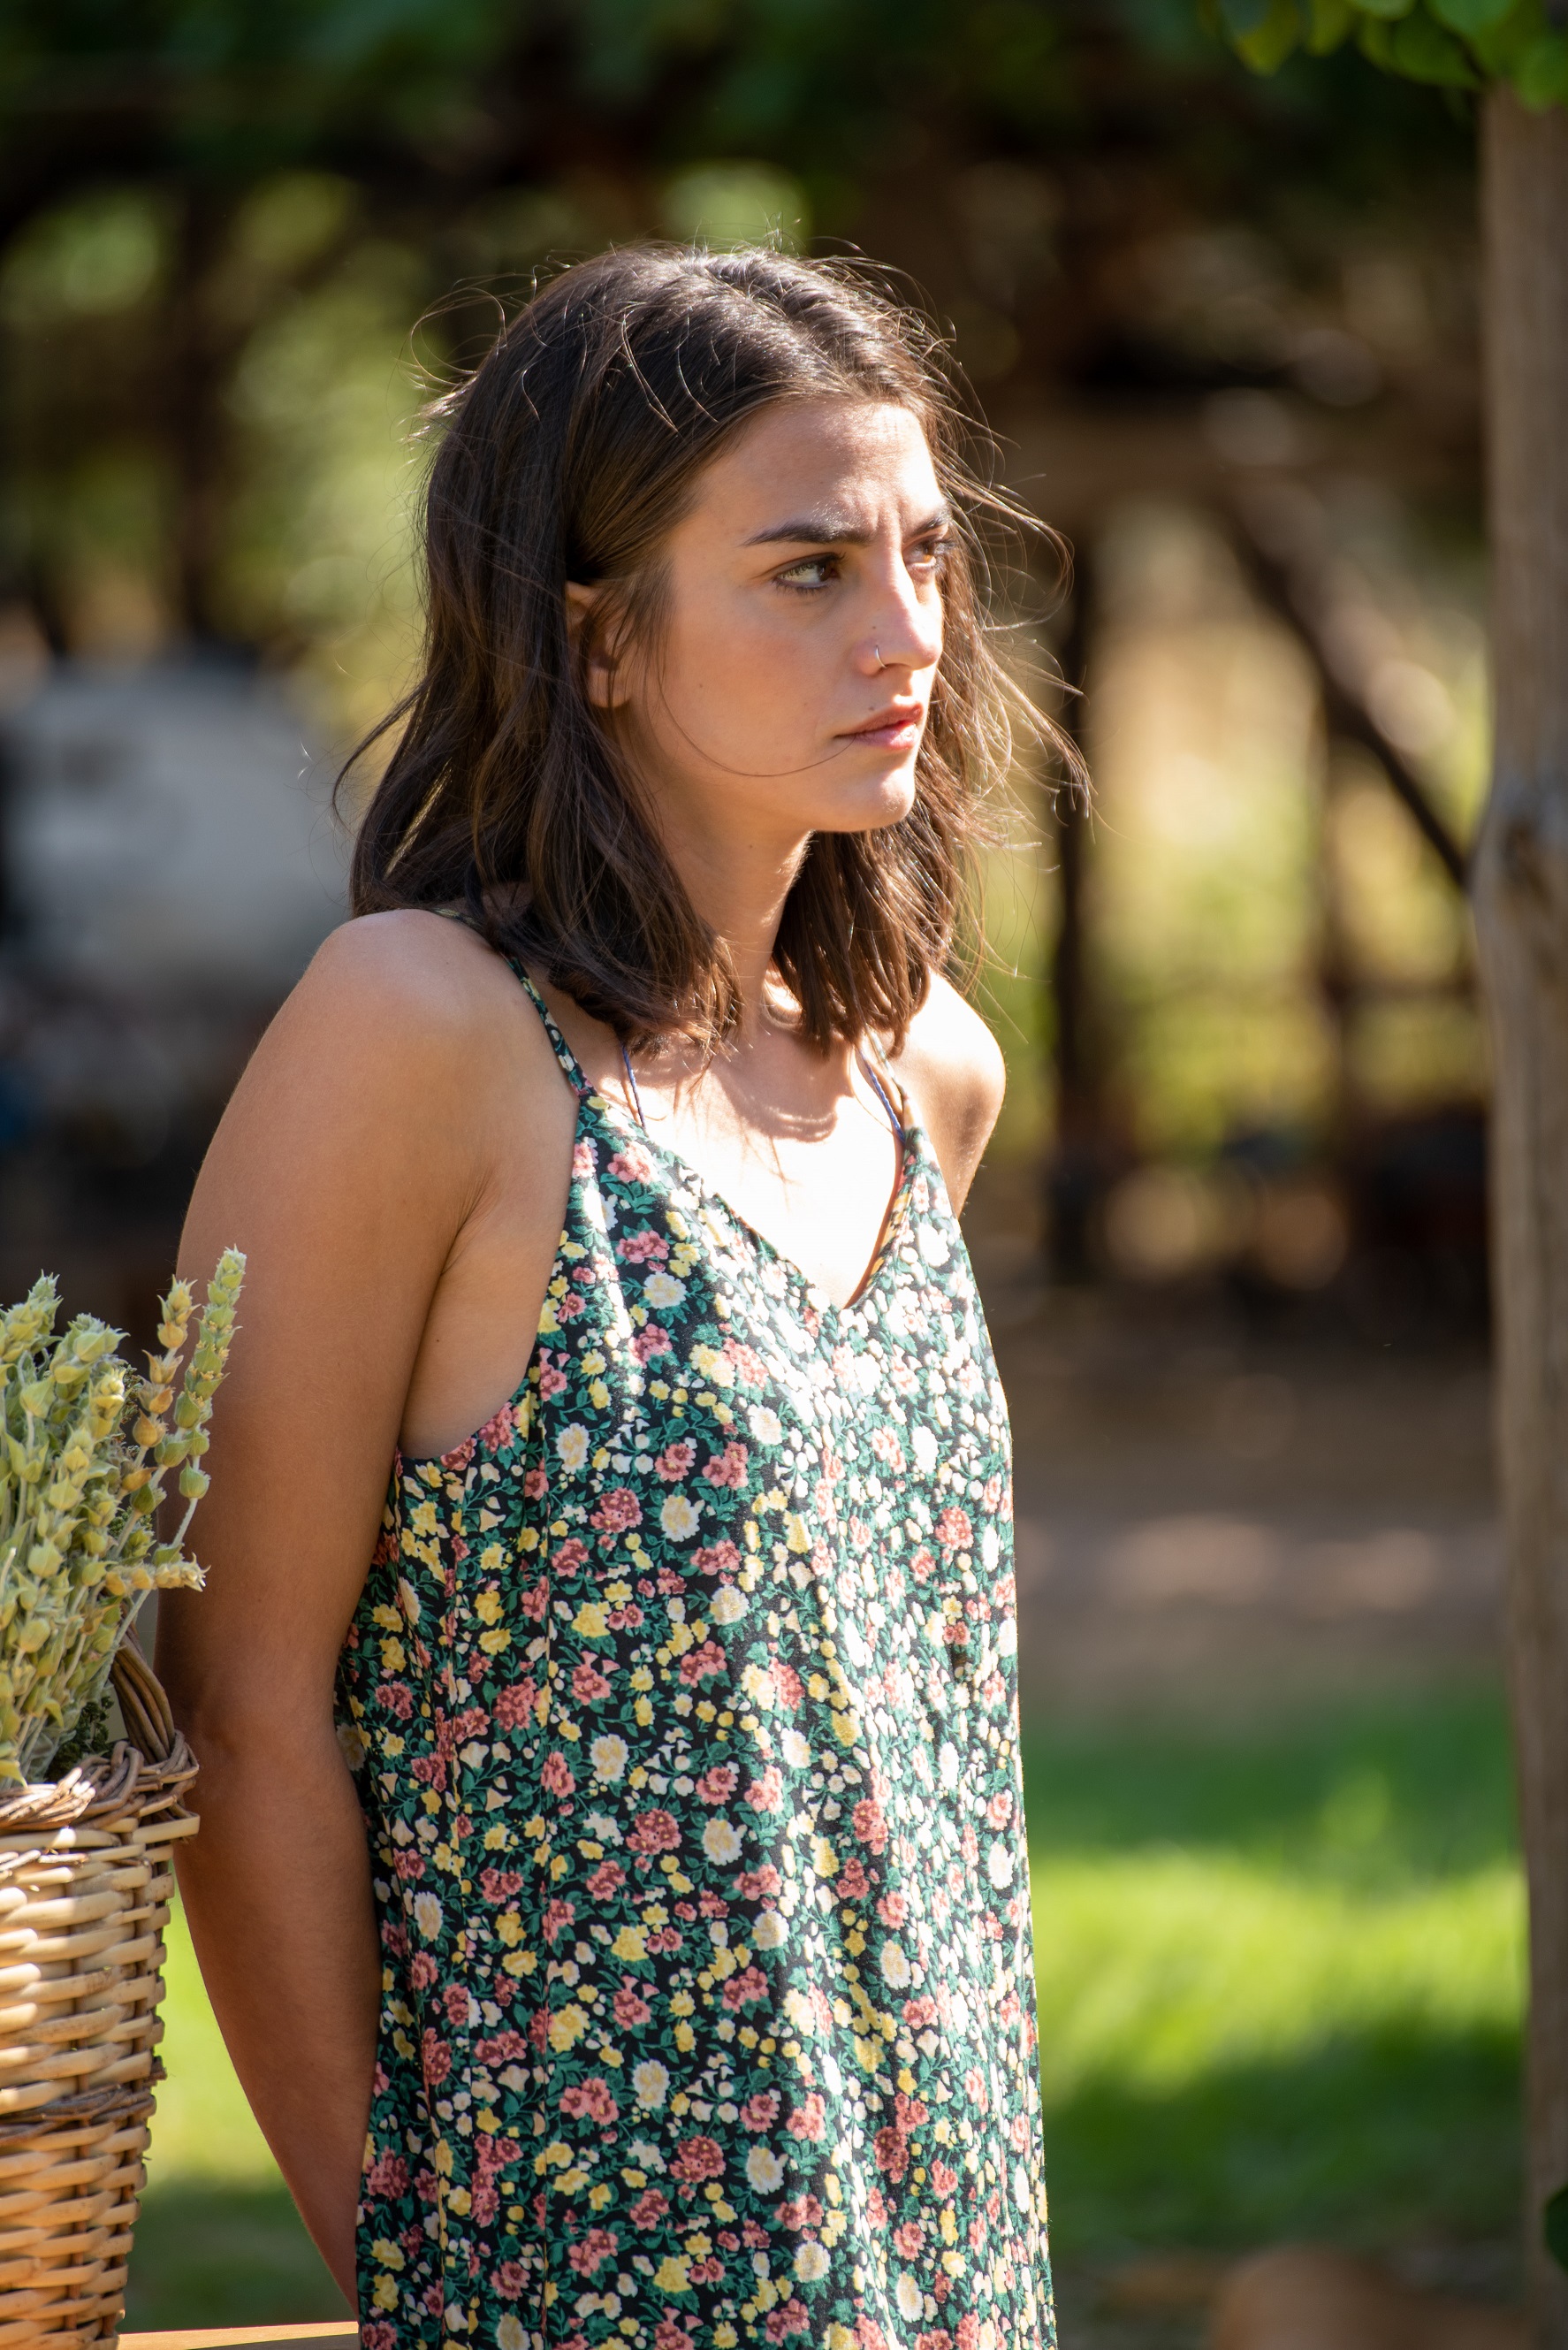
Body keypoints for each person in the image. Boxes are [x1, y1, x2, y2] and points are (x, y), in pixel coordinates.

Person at [161, 244, 1062, 2350]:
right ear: (594, 639)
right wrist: (418, 2270)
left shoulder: (926, 1075)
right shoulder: (416, 1035)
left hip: (951, 2257)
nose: (906, 632)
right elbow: (237, 1707)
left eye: (926, 556)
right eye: (807, 570)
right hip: (573, 2276)